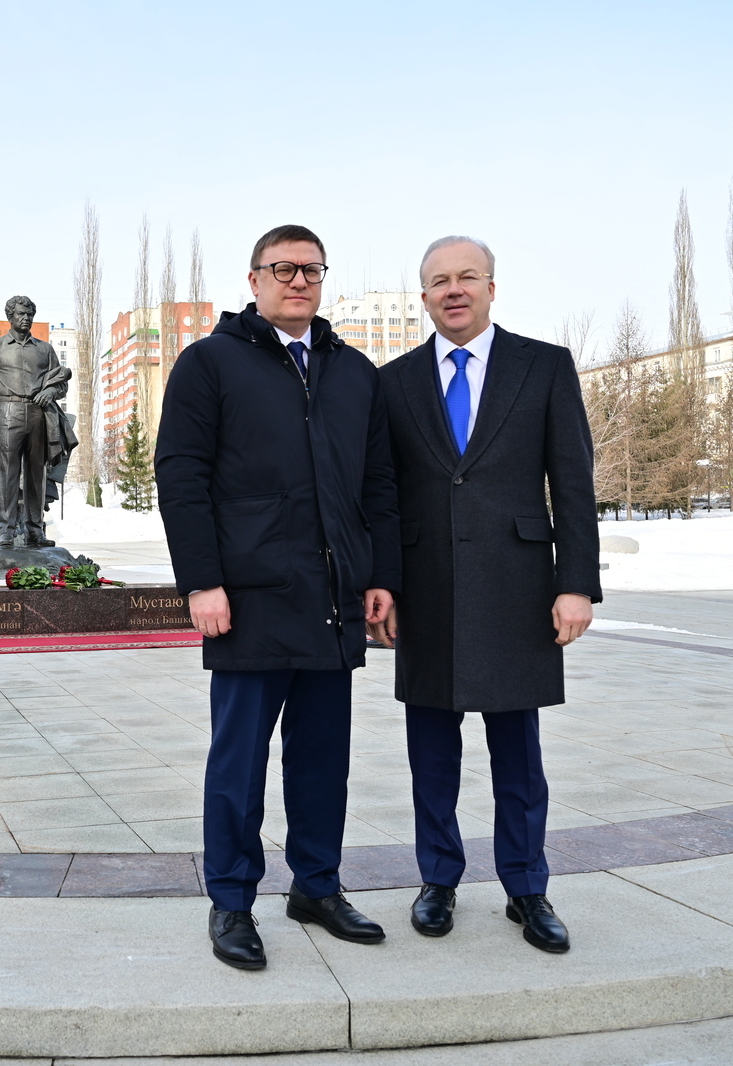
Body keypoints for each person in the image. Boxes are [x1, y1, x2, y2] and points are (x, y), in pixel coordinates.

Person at [156, 224, 401, 970]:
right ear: (255, 279)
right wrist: (202, 582)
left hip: (332, 603)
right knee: (239, 763)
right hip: (249, 601)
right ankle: (231, 901)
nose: (299, 281)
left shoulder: (355, 373)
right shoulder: (209, 365)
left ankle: (316, 886)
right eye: (283, 268)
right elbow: (182, 479)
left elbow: (379, 488)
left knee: (323, 760)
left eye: (312, 269)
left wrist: (380, 576)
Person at [372, 236, 600, 954]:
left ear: (492, 288)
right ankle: (437, 879)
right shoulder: (394, 381)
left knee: (518, 755)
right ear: (425, 297)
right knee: (431, 754)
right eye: (439, 281)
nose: (454, 290)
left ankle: (527, 888)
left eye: (467, 277)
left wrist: (576, 585)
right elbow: (382, 495)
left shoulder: (545, 367)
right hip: (426, 593)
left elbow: (573, 484)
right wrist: (384, 584)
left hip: (518, 589)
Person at [0, 296, 70, 548]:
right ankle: (6, 531)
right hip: (8, 412)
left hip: (39, 413)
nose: (26, 318)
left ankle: (34, 530)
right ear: (10, 316)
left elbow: (60, 382)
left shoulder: (45, 350)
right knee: (7, 473)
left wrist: (51, 392)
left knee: (36, 474)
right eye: (21, 313)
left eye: (30, 314)